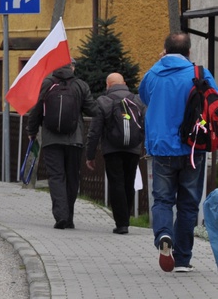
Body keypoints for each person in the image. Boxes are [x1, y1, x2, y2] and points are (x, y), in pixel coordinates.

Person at [139, 32, 216, 273]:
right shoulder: (200, 74)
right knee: (188, 204)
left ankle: (164, 235)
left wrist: (158, 62)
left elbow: (144, 96)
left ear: (165, 49)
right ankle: (182, 259)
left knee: (162, 199)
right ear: (189, 52)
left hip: (162, 148)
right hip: (194, 147)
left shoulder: (154, 74)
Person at [27, 59, 97, 230]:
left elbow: (36, 109)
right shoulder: (81, 85)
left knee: (56, 177)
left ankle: (61, 216)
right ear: (72, 67)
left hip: (51, 139)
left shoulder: (47, 83)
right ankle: (69, 217)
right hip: (75, 139)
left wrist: (32, 130)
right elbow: (92, 110)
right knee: (72, 178)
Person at [85, 73, 145, 234]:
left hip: (112, 150)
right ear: (124, 83)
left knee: (116, 183)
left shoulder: (103, 101)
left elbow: (94, 131)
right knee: (129, 182)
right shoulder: (137, 100)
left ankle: (121, 223)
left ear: (107, 85)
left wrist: (90, 155)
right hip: (133, 149)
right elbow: (145, 124)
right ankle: (126, 218)